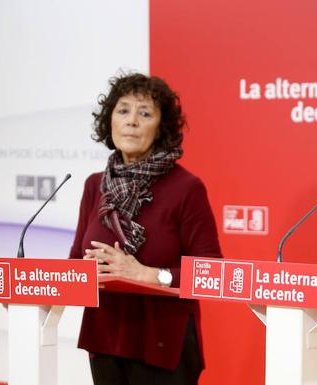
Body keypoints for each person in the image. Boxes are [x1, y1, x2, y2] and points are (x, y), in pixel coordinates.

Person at [70, 73, 222, 385]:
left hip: (163, 345)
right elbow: (75, 261)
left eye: (145, 113)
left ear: (161, 127)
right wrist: (44, 287)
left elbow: (212, 271)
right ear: (109, 121)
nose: (132, 122)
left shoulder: (186, 188)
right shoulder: (95, 185)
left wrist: (148, 275)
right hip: (105, 339)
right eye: (123, 110)